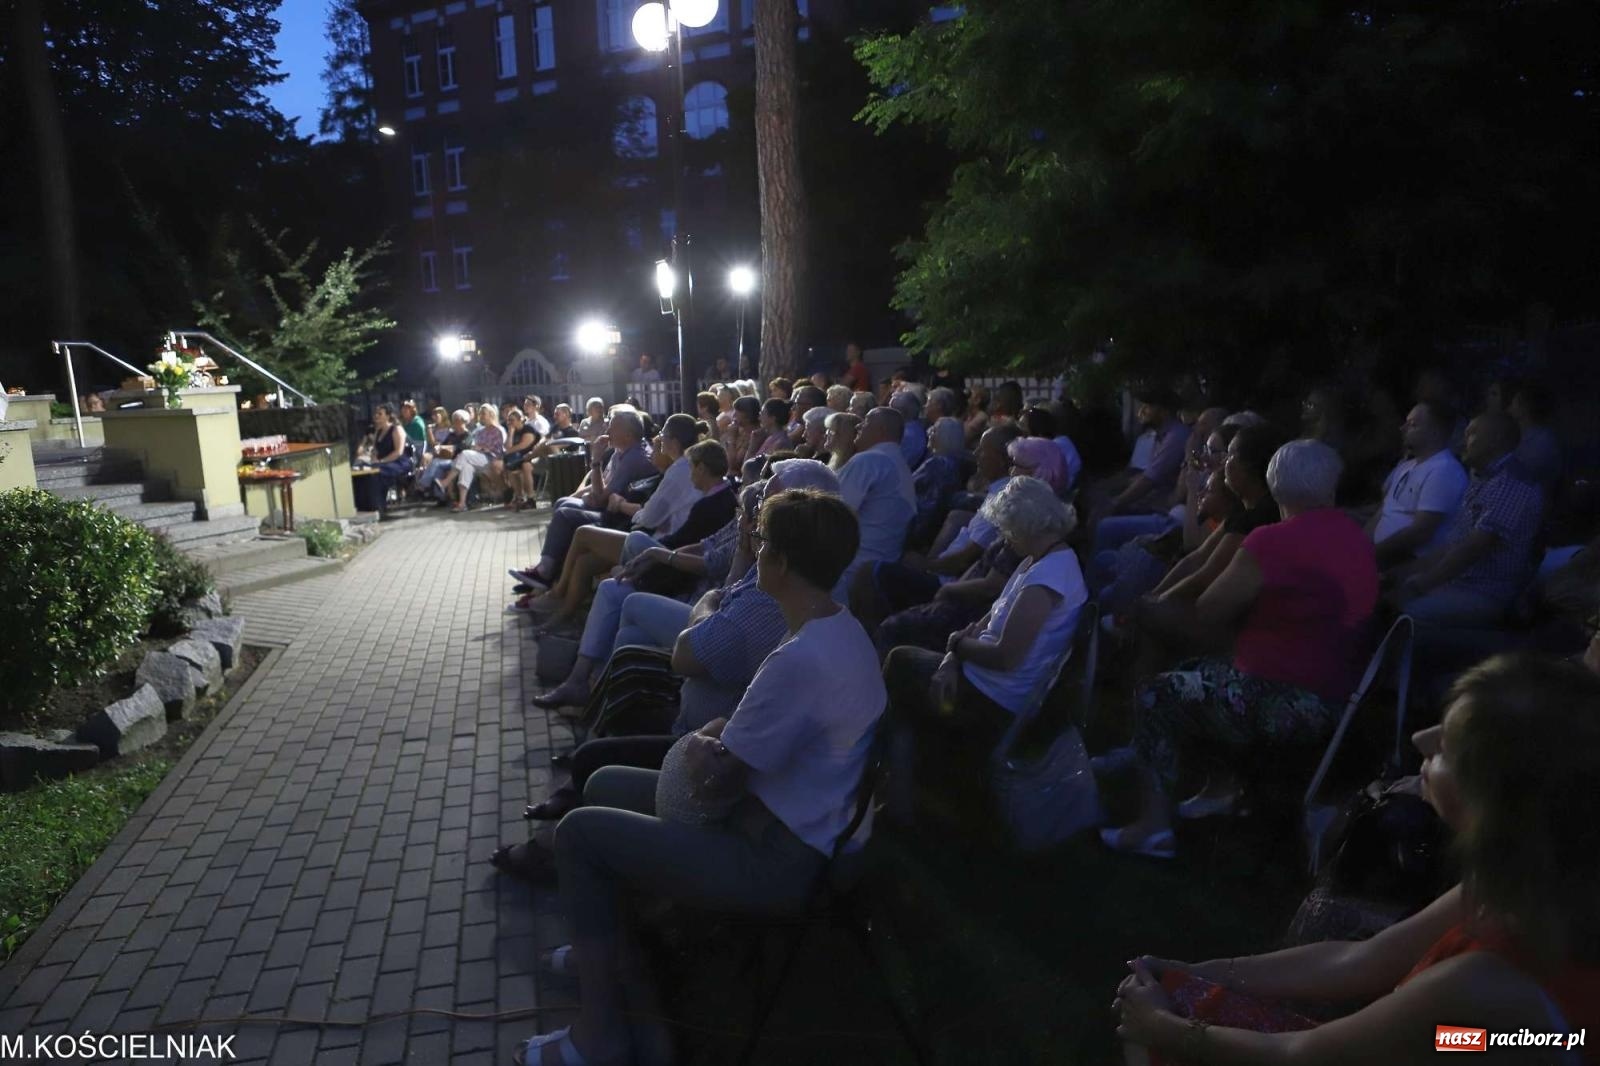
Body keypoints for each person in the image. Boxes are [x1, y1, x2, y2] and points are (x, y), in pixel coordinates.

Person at [513, 488, 882, 1066]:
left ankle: (601, 1034)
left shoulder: (801, 657)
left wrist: (704, 744)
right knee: (605, 781)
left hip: (780, 857)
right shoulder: (840, 629)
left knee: (582, 833)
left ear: (780, 562)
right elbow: (742, 740)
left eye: (759, 545)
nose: (754, 554)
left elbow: (715, 781)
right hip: (787, 823)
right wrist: (712, 740)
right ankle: (611, 952)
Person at [1114, 653, 1600, 1065]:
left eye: (1448, 746)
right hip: (1474, 1043)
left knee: (1154, 1034)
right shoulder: (1526, 884)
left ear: (1500, 804)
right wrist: (1203, 970)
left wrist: (1164, 1028)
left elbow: (1303, 1056)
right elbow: (1365, 959)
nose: (1421, 739)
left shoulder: (1481, 982)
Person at [1102, 439, 1378, 859]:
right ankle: (1220, 788)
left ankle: (1151, 826)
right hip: (1340, 696)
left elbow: (1210, 609)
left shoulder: (1271, 541)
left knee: (1159, 693)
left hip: (1286, 700)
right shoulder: (1355, 537)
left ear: (1275, 485)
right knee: (1202, 671)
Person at [884, 476, 1087, 831]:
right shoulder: (1039, 561)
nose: (1005, 538)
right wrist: (952, 657)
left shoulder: (1047, 578)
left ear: (1024, 524)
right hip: (981, 679)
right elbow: (989, 619)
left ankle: (898, 790)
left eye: (1008, 529)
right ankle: (905, 780)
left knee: (898, 664)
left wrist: (956, 647)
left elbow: (1007, 655)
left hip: (993, 698)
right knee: (903, 674)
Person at [517, 437, 735, 630]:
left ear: (703, 469)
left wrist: (652, 544)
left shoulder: (710, 502)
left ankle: (556, 594)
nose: (690, 474)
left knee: (584, 533)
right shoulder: (716, 494)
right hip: (663, 547)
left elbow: (673, 535)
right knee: (586, 563)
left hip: (667, 560)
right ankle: (564, 614)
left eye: (692, 468)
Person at [1394, 413, 1543, 628]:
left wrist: (1421, 584)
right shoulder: (1482, 477)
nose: (1463, 441)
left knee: (1405, 614)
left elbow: (1474, 548)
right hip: (1459, 581)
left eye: (1471, 434)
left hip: (1485, 591)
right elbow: (1454, 545)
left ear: (1497, 439)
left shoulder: (1512, 482)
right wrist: (1401, 574)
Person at [515, 408, 655, 586]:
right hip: (609, 507)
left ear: (627, 435)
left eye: (612, 428)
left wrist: (596, 459)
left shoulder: (634, 458)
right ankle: (548, 570)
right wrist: (581, 495)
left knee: (565, 514)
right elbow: (601, 486)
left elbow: (601, 498)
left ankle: (547, 572)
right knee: (563, 502)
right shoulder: (622, 451)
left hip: (619, 518)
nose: (607, 432)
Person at [1366, 401, 1469, 570]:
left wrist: (1371, 555)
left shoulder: (1444, 471)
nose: (1402, 428)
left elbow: (1421, 532)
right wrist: (1359, 547)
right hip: (1378, 555)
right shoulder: (1407, 466)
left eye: (1412, 424)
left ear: (1434, 433)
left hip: (1405, 562)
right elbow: (1381, 514)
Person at [837, 406, 917, 600]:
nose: (858, 426)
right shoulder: (898, 464)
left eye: (865, 422)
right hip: (876, 569)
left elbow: (832, 513)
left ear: (880, 430)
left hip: (846, 570)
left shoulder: (870, 460)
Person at [436, 403, 505, 512]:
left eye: (483, 413)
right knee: (466, 467)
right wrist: (477, 447)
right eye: (480, 413)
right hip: (477, 457)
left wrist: (482, 448)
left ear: (491, 415)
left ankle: (446, 481)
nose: (481, 416)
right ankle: (462, 503)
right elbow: (473, 444)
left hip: (490, 458)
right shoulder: (480, 431)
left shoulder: (497, 431)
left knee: (464, 454)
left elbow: (496, 449)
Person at [911, 417, 967, 542]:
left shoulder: (939, 464)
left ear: (946, 437)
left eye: (934, 431)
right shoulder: (952, 462)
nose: (929, 433)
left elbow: (928, 506)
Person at [1509, 380, 1562, 492]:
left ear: (1524, 408)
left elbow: (1518, 476)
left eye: (1514, 401)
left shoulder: (1542, 441)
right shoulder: (1522, 436)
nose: (1510, 406)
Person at [417, 408, 470, 495]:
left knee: (436, 463)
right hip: (446, 459)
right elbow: (443, 444)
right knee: (438, 470)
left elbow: (461, 447)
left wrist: (448, 447)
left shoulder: (467, 435)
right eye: (454, 420)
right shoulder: (452, 434)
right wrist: (439, 448)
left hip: (458, 461)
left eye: (457, 420)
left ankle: (423, 484)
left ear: (463, 421)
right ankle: (441, 498)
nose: (455, 423)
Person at [502, 408, 542, 511]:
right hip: (518, 458)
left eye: (512, 420)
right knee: (511, 469)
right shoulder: (512, 431)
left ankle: (530, 498)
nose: (509, 422)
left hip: (532, 456)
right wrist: (510, 433)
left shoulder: (528, 429)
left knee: (526, 466)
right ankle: (520, 497)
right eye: (508, 420)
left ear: (520, 420)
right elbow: (507, 446)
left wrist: (508, 451)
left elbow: (524, 445)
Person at [891, 389, 928, 469]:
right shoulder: (916, 428)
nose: (888, 415)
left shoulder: (907, 436)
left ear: (900, 413)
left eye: (890, 410)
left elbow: (897, 466)